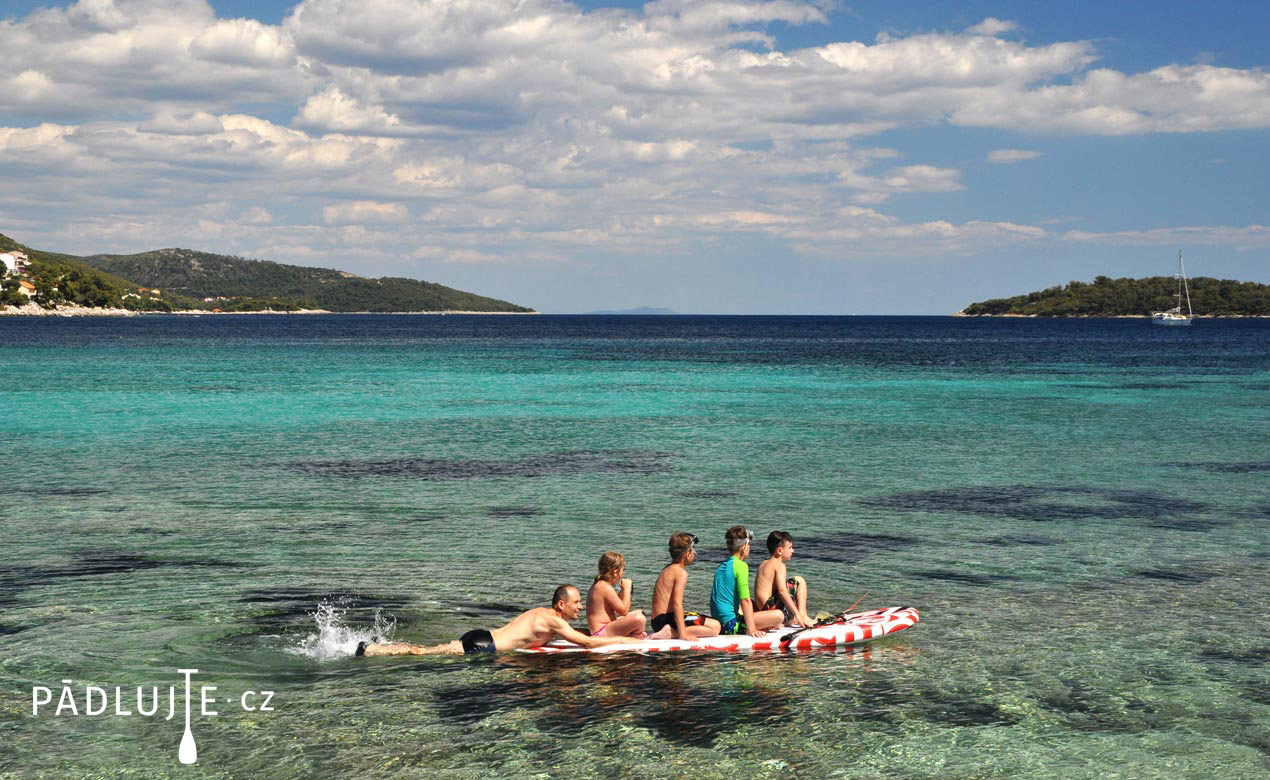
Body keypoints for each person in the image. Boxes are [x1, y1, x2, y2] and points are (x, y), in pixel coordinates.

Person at [356, 585, 643, 656]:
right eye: (577, 602)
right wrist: (627, 640)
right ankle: (371, 651)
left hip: (482, 636)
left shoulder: (544, 614)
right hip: (483, 647)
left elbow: (575, 632)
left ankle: (380, 645)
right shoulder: (555, 621)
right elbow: (589, 643)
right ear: (561, 605)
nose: (580, 606)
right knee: (422, 653)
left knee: (427, 649)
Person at [710, 525, 784, 637]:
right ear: (743, 547)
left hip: (719, 621)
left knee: (756, 610)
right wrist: (751, 629)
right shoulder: (741, 566)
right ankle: (760, 625)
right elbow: (745, 600)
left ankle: (767, 624)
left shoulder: (722, 565)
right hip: (731, 625)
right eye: (749, 545)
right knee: (779, 616)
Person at [648, 532, 721, 640]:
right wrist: (683, 634)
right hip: (667, 621)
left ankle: (671, 630)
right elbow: (677, 604)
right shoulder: (681, 572)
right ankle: (673, 633)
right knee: (715, 626)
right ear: (687, 554)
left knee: (707, 620)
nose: (694, 554)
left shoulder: (667, 569)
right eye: (693, 551)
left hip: (657, 622)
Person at [753, 531, 813, 628]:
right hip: (770, 608)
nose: (792, 551)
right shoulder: (779, 565)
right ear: (780, 551)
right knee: (799, 580)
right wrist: (797, 613)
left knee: (789, 586)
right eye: (790, 548)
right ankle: (803, 616)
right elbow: (782, 591)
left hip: (762, 609)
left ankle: (786, 621)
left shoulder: (763, 563)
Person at [586, 551, 647, 639]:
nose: (622, 574)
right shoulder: (604, 587)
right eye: (622, 570)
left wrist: (622, 590)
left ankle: (631, 635)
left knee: (640, 612)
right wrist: (627, 589)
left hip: (606, 628)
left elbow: (617, 606)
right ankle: (631, 637)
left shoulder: (601, 585)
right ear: (615, 572)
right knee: (639, 619)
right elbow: (623, 611)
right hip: (601, 633)